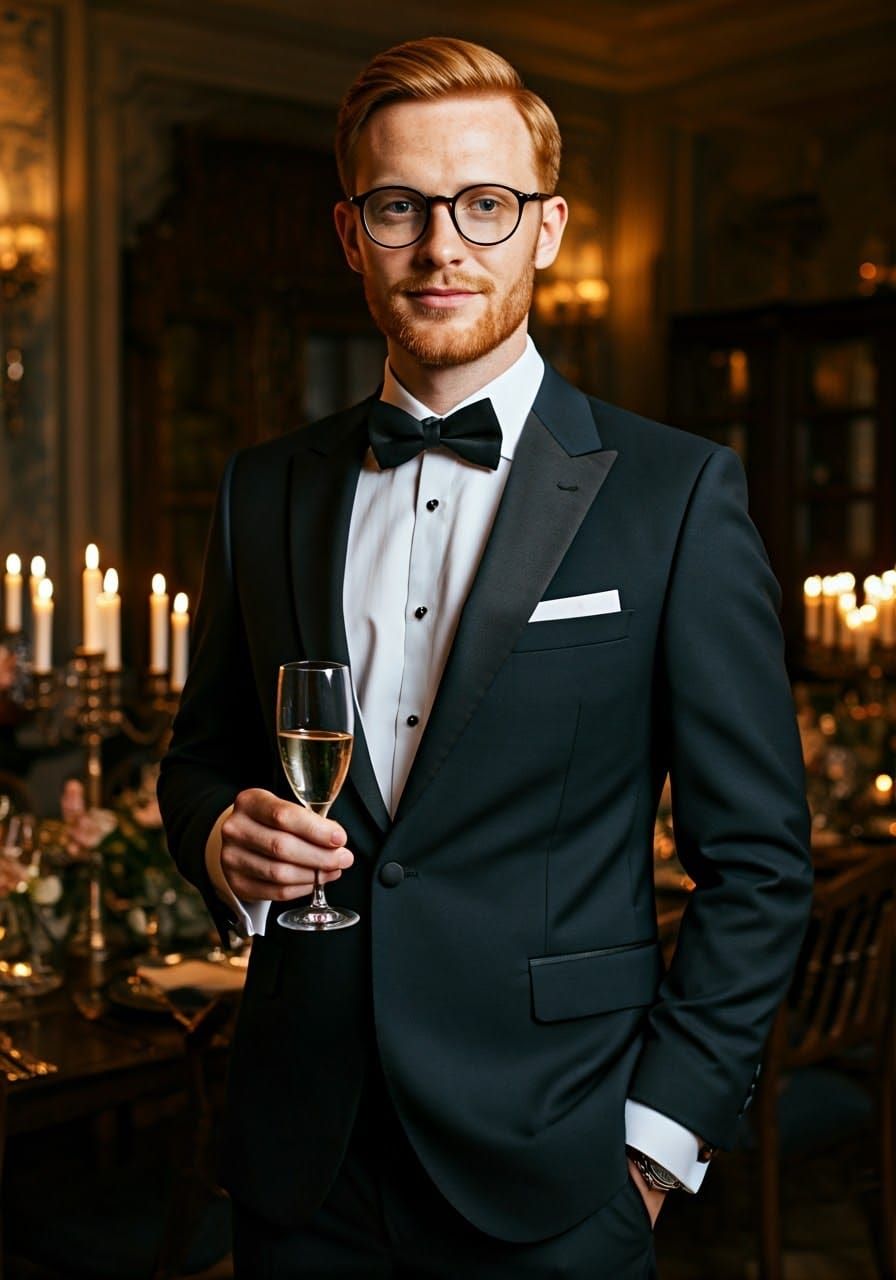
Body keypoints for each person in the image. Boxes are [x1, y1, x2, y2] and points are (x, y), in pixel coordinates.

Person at [158, 36, 813, 1279]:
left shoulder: (675, 494)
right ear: (351, 234)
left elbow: (758, 864)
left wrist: (652, 1147)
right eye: (401, 206)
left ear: (546, 227)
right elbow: (199, 756)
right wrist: (216, 838)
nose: (442, 245)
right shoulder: (262, 491)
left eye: (486, 204)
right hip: (303, 1162)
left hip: (560, 1164)